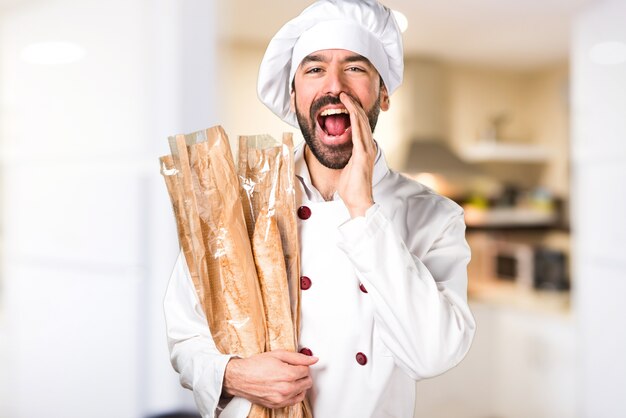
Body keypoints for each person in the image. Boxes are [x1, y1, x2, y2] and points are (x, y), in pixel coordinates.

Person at [164, 0, 476, 417]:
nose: (334, 86)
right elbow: (185, 339)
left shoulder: (434, 218)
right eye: (314, 69)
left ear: (383, 94)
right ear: (294, 96)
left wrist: (363, 211)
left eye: (355, 67)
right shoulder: (238, 200)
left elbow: (433, 355)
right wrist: (232, 374)